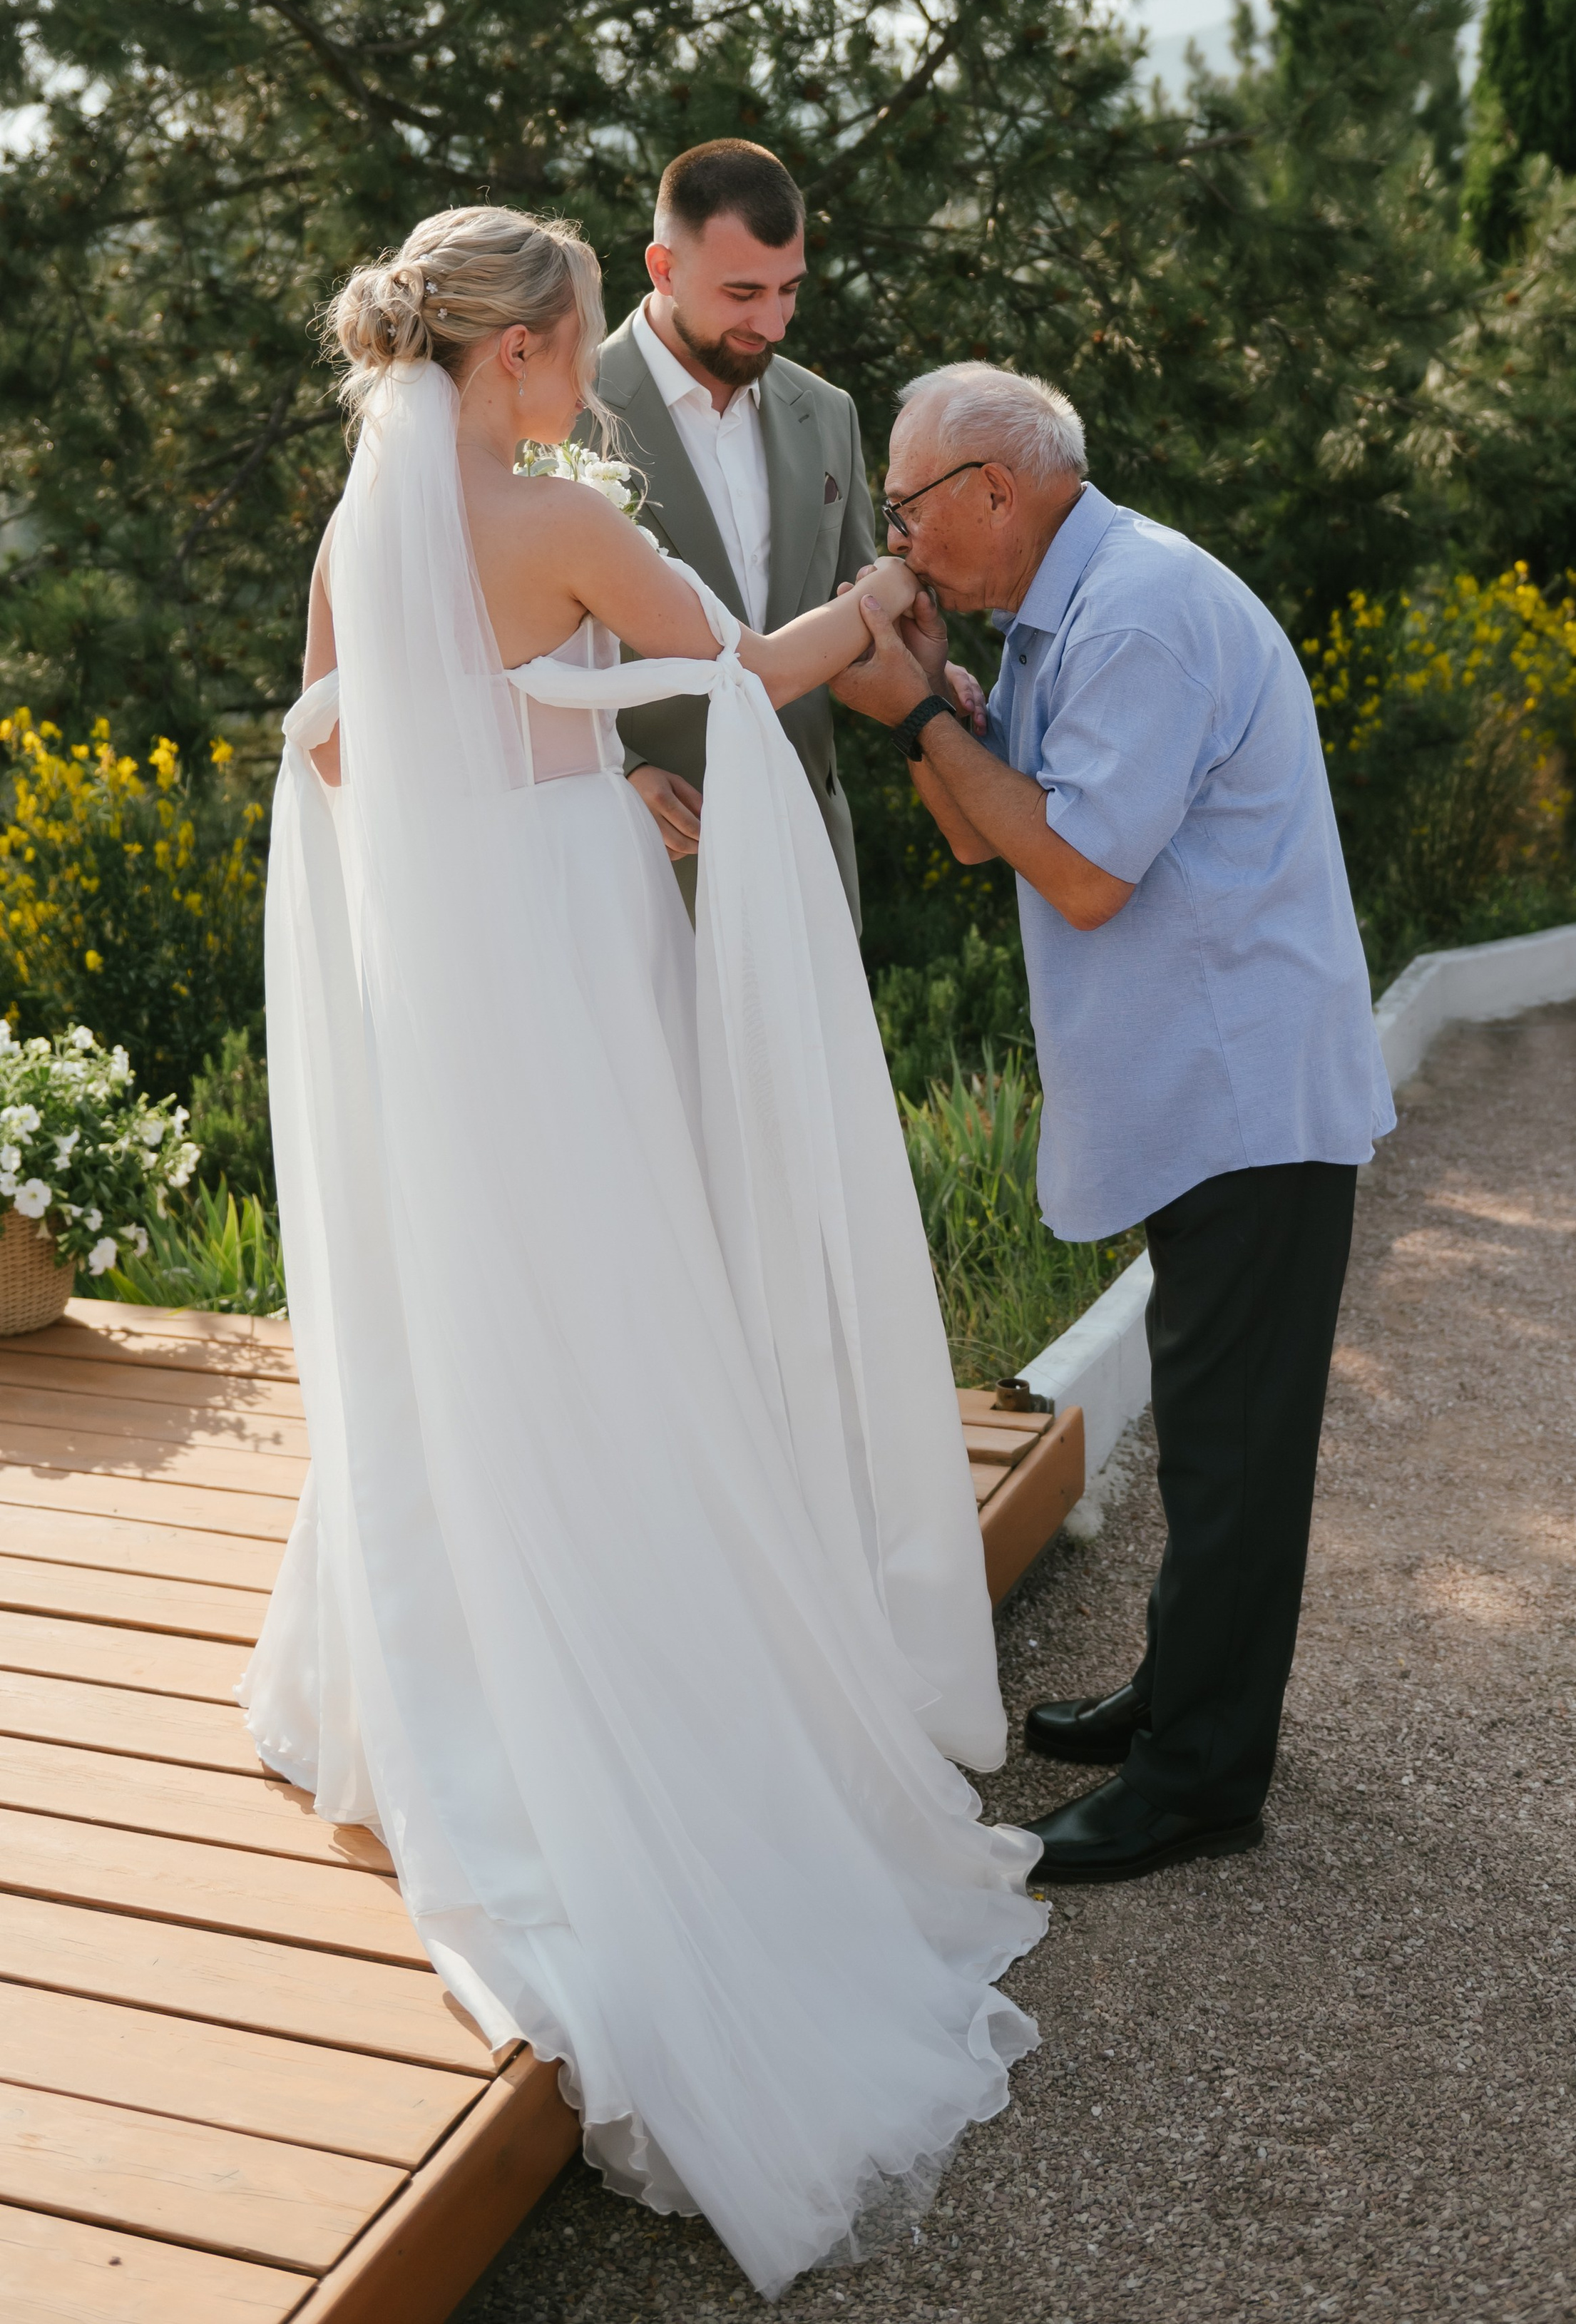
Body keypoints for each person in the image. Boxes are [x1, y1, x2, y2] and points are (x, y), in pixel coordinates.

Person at [244, 213, 1044, 2298]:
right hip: (573, 948)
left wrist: (534, 751)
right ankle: (624, 1630)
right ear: (523, 355)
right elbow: (748, 671)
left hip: (445, 977)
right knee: (615, 1288)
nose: (589, 365)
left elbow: (331, 749)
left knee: (473, 1296)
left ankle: (434, 1656)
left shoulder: (365, 536)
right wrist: (863, 604)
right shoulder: (558, 528)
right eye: (581, 334)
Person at [833, 362, 1395, 1885]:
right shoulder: (1064, 609)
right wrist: (932, 712)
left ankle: (1201, 1777)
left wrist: (910, 717)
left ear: (992, 491)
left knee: (1231, 1449)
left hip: (1245, 1093)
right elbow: (984, 834)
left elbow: (1077, 869)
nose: (899, 534)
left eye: (907, 504)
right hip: (1201, 1088)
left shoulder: (1134, 612)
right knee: (1214, 1429)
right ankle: (1179, 1698)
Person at [581, 140, 876, 925]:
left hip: (807, 860)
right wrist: (622, 768)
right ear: (663, 268)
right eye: (744, 292)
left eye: (789, 290)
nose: (773, 322)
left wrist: (922, 667)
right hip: (647, 867)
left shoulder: (830, 413)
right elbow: (508, 654)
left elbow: (858, 597)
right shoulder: (563, 416)